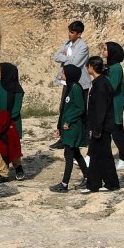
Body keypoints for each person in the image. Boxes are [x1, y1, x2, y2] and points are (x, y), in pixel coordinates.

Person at [50, 21, 91, 150]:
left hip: (80, 83)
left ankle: (83, 137)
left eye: (72, 33)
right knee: (64, 108)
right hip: (67, 81)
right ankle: (63, 137)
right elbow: (56, 56)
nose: (69, 35)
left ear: (79, 34)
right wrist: (68, 58)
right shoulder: (67, 44)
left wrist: (66, 57)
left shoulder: (83, 47)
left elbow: (75, 63)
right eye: (69, 31)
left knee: (80, 109)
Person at [83, 56, 121, 193]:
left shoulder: (101, 85)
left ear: (92, 67)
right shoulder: (101, 82)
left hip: (102, 127)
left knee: (100, 156)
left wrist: (97, 129)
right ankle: (100, 183)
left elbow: (100, 109)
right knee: (100, 155)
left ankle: (98, 184)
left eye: (88, 66)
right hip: (101, 127)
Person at [49, 64, 89, 193]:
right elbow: (65, 110)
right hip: (66, 127)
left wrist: (69, 121)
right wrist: (59, 126)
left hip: (73, 127)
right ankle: (88, 177)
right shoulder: (69, 87)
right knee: (75, 153)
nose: (61, 74)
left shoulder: (76, 88)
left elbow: (80, 108)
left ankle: (64, 184)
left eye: (63, 72)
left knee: (69, 155)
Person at [0, 63, 26, 183]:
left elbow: (16, 108)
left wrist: (6, 119)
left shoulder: (17, 89)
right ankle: (3, 174)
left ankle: (18, 167)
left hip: (11, 123)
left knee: (12, 146)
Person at [104, 42, 124, 169]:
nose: (103, 51)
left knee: (117, 131)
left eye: (105, 49)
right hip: (110, 104)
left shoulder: (116, 68)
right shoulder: (110, 66)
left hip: (115, 103)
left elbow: (112, 87)